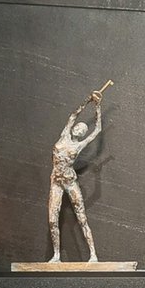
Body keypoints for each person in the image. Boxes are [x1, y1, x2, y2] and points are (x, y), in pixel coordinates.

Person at [48, 81, 111, 262]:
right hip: (56, 181)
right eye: (79, 127)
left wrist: (98, 107)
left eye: (83, 130)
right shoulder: (64, 135)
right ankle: (56, 256)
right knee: (52, 220)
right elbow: (74, 114)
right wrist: (88, 100)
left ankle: (93, 255)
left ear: (83, 134)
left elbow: (97, 130)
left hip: (69, 180)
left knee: (81, 217)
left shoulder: (80, 145)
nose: (79, 129)